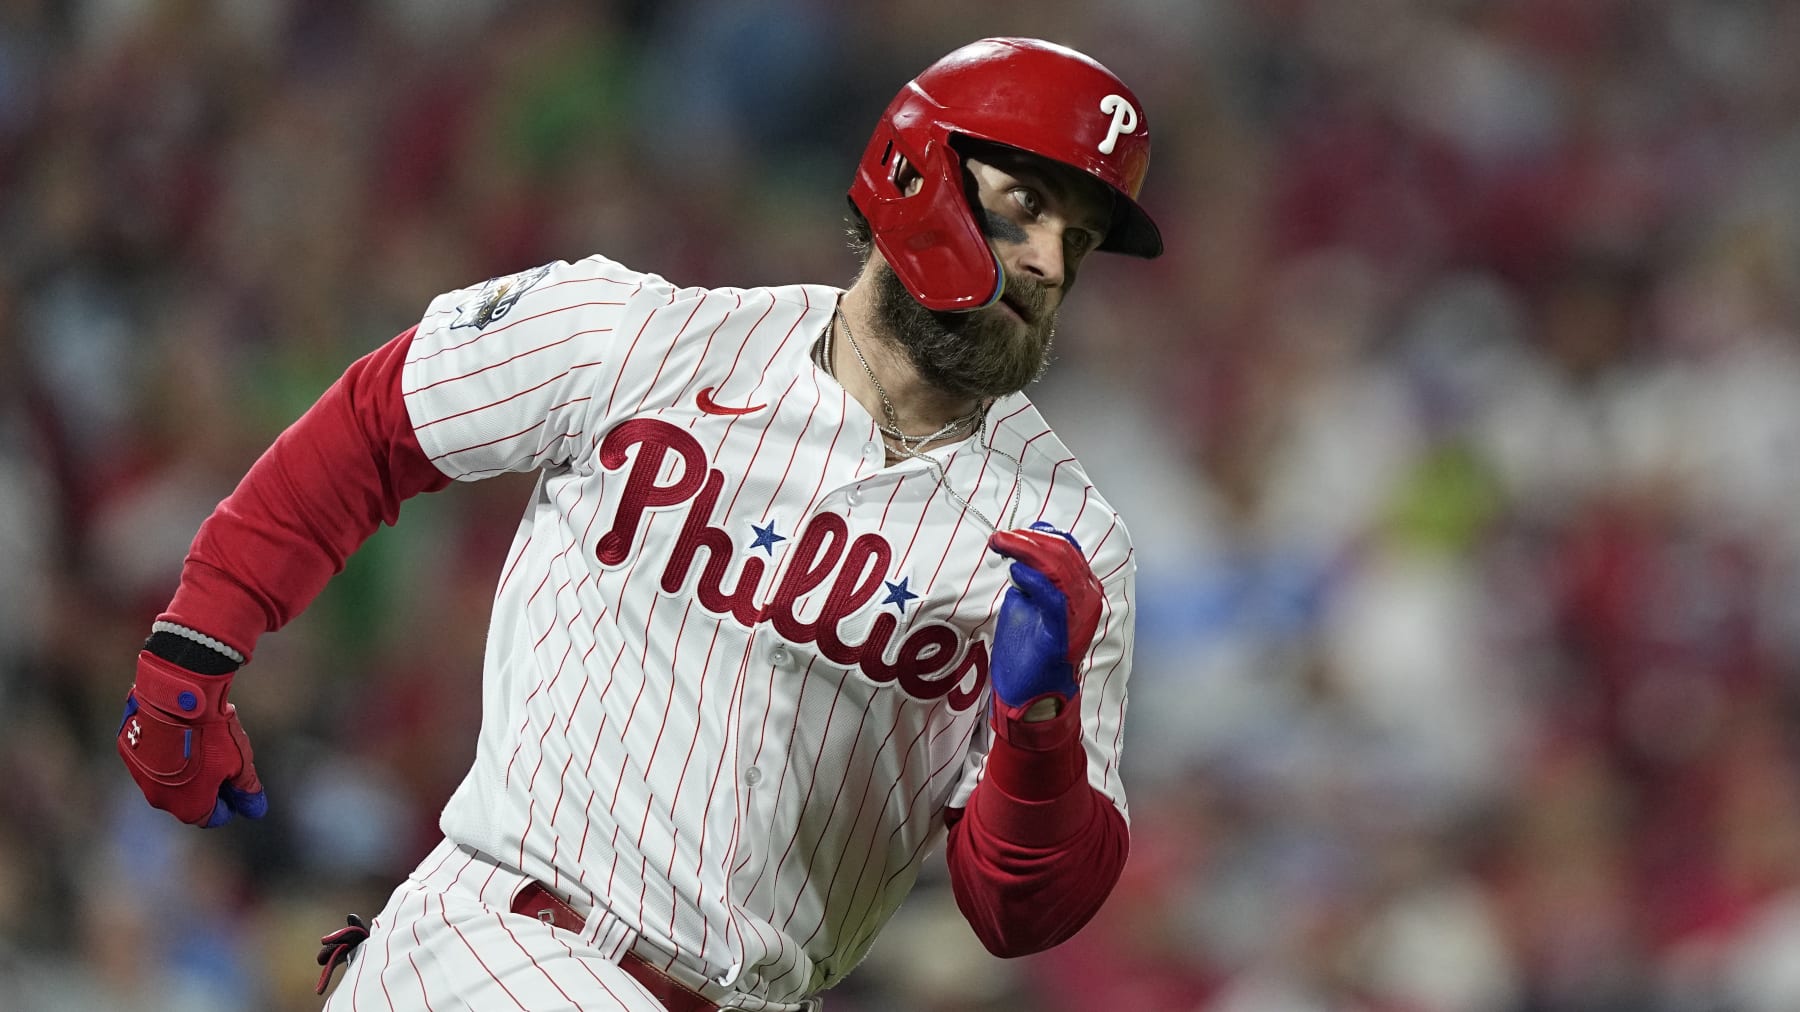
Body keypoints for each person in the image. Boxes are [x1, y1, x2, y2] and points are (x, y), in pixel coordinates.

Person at [115, 36, 1160, 1011]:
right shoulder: (645, 339)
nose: (1050, 264)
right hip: (501, 948)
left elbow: (1022, 910)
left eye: (1079, 240)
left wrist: (1037, 736)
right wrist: (197, 642)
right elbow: (382, 420)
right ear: (915, 168)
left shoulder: (1067, 541)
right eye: (1026, 204)